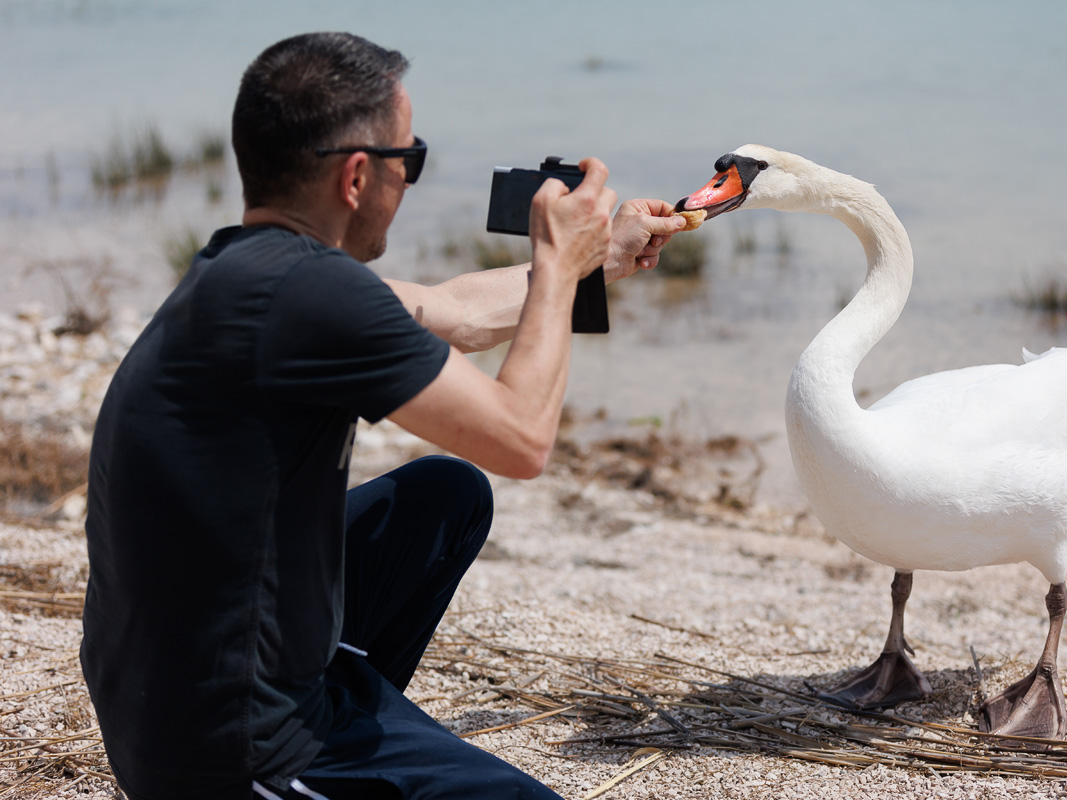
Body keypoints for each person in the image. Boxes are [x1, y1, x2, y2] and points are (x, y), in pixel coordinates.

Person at [80, 31, 686, 800]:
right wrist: (558, 273)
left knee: (443, 497)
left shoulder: (249, 272)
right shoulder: (312, 295)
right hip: (234, 749)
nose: (413, 180)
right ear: (358, 176)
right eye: (412, 160)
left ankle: (359, 715)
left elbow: (457, 312)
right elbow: (523, 437)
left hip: (168, 696)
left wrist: (599, 257)